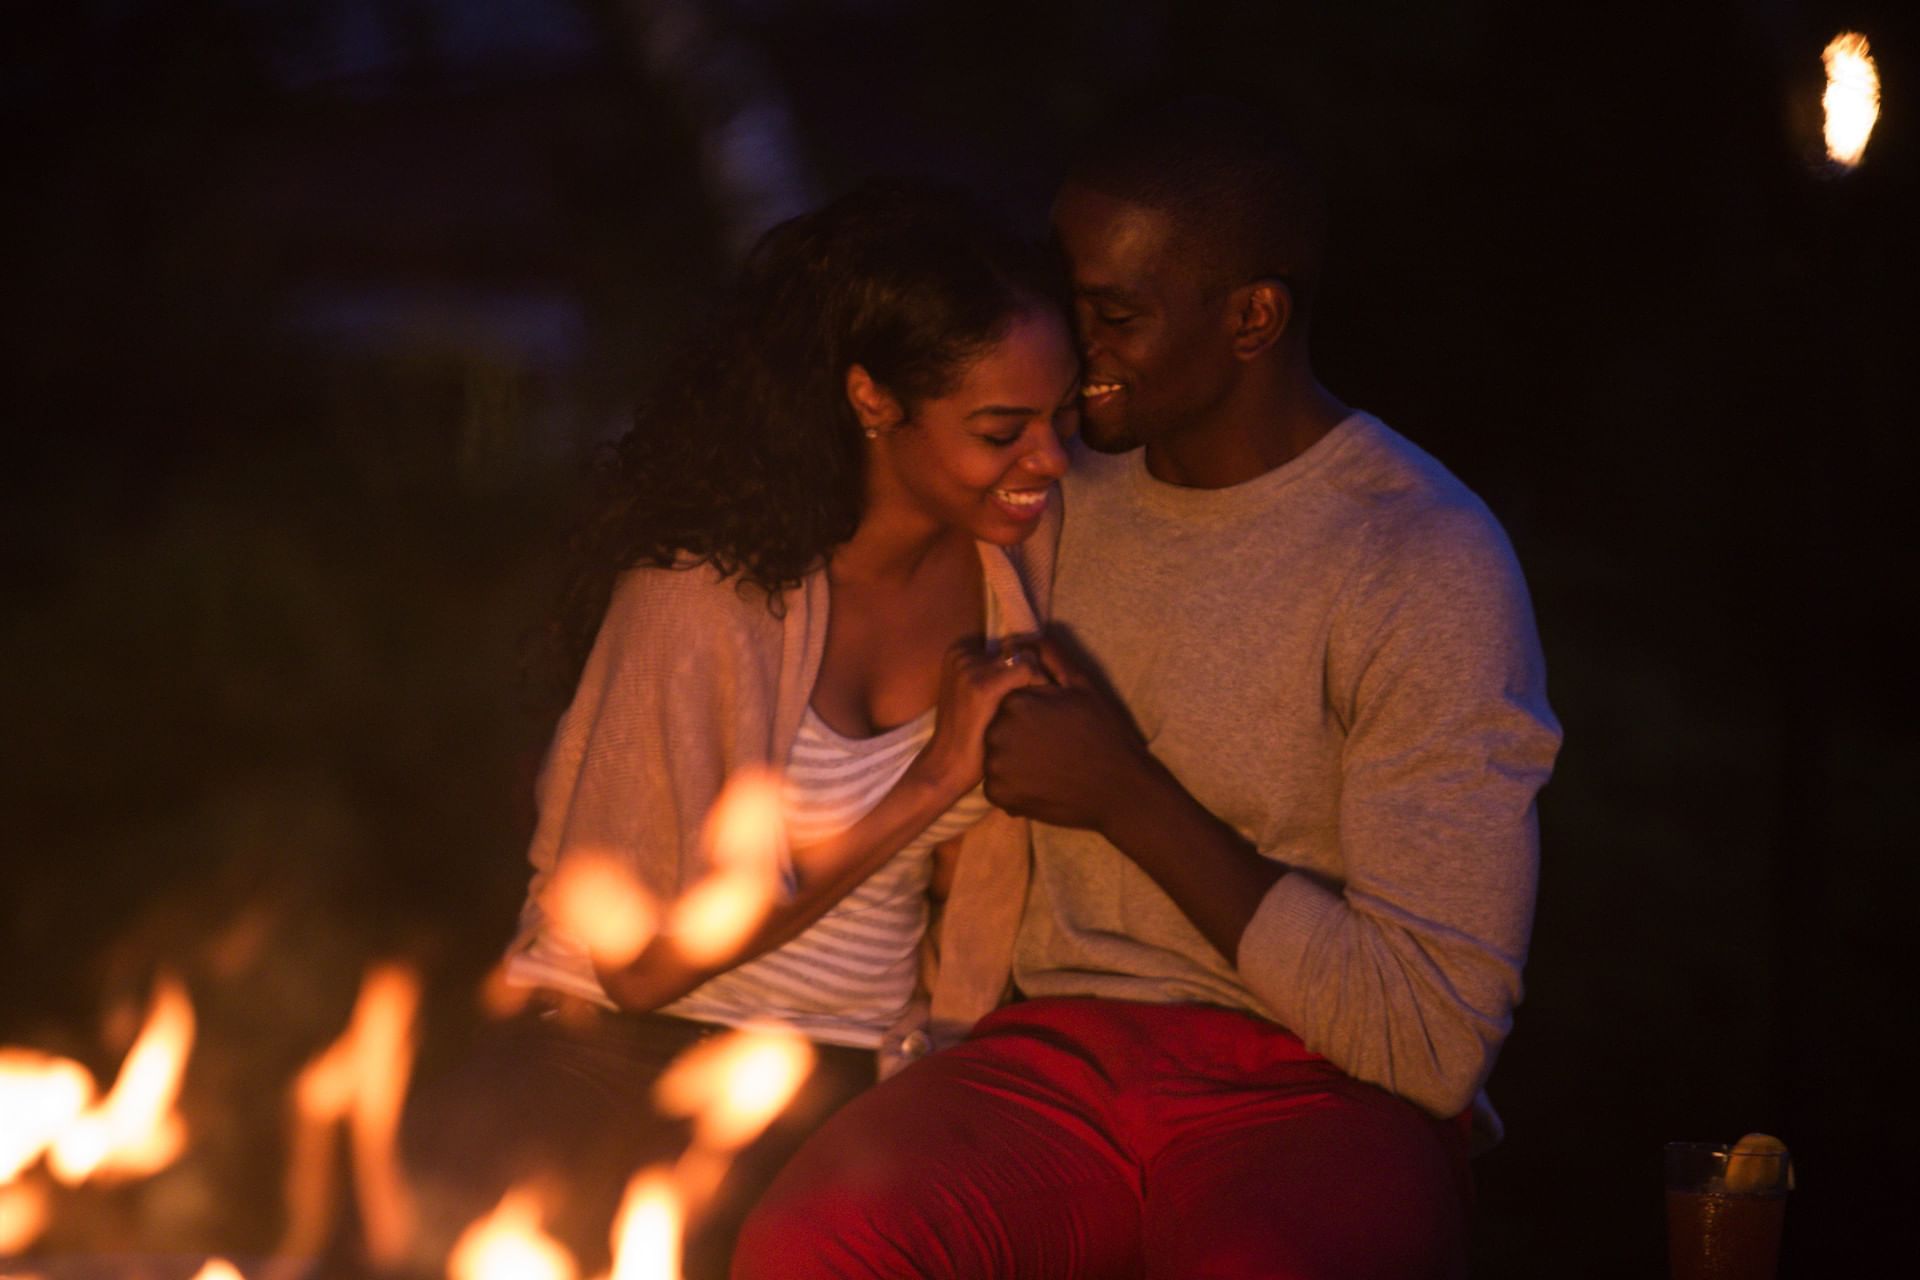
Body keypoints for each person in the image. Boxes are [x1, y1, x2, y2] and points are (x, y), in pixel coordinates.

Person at [733, 100, 1562, 1279]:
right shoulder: (1045, 492)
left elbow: (1431, 1039)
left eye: (1113, 314)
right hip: (1047, 1063)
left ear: (1253, 318)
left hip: (1318, 1087)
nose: (1072, 346)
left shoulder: (1422, 559)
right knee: (821, 1241)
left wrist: (1126, 795)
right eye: (1064, 297)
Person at [398, 180, 1080, 1279]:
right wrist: (934, 774)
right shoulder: (698, 600)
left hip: (861, 1075)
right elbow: (642, 969)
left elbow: (978, 887)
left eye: (1064, 419)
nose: (1049, 460)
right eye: (1003, 429)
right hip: (616, 1059)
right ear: (871, 399)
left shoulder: (1023, 573)